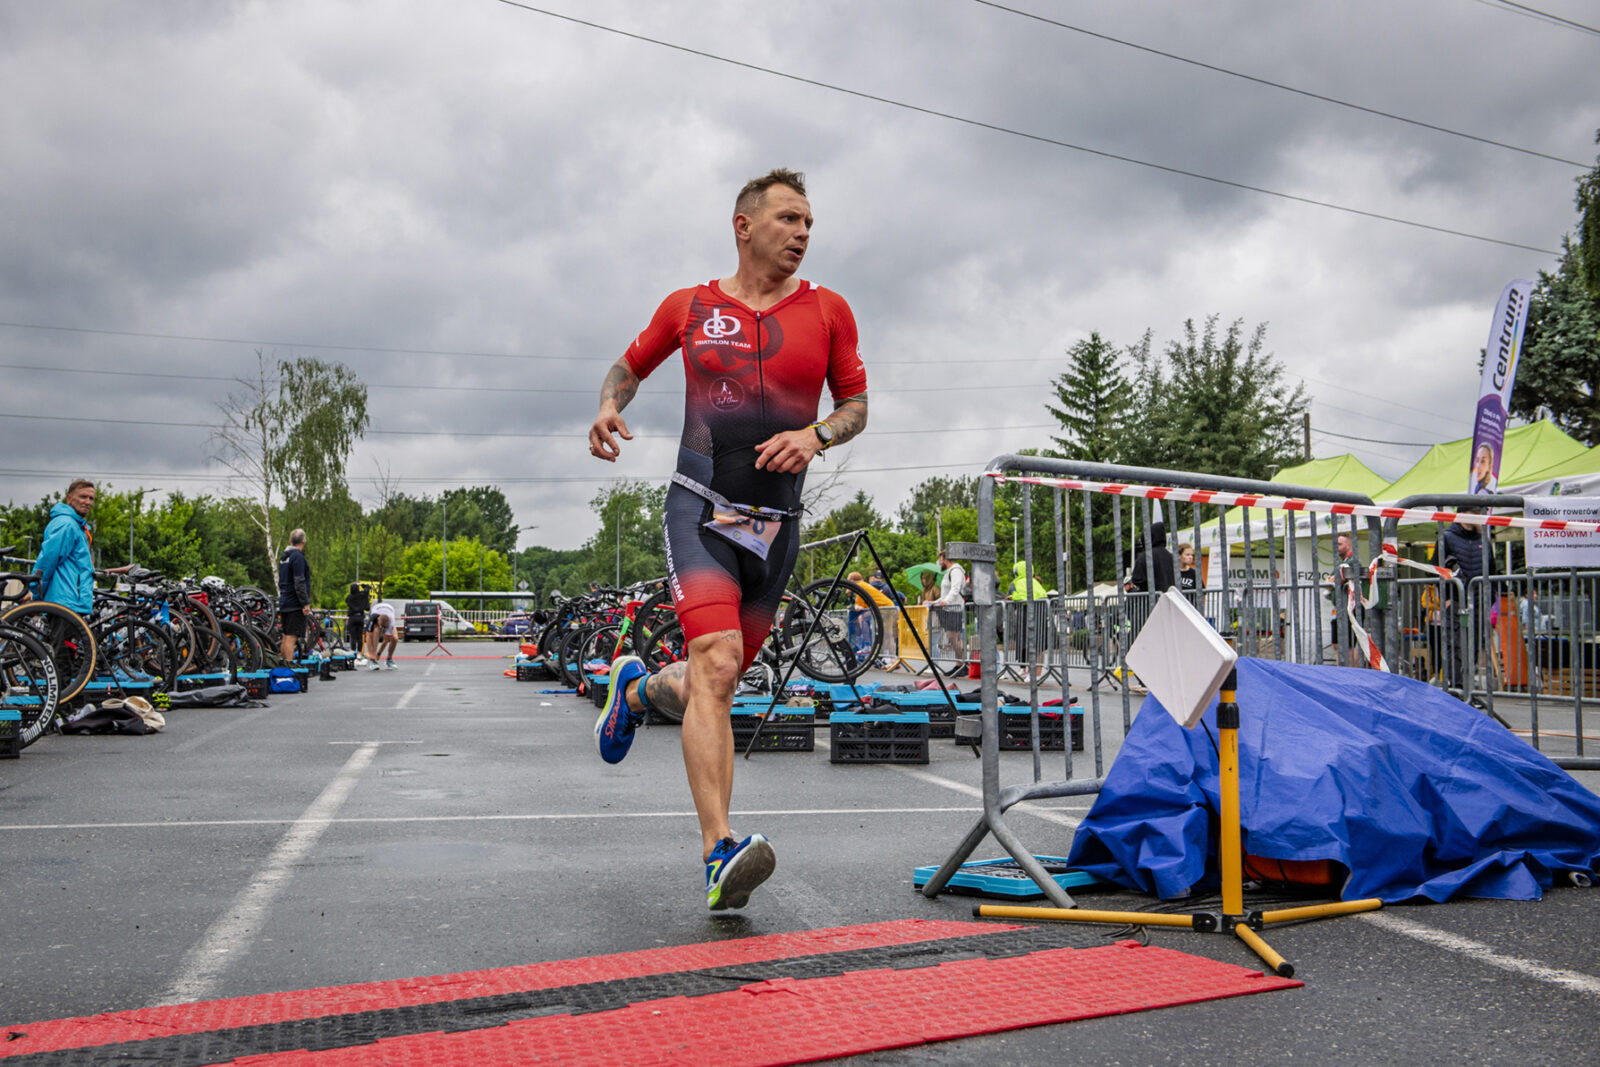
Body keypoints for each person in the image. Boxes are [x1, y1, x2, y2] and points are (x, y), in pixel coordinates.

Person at [585, 168, 868, 911]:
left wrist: (817, 434)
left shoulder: (829, 310)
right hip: (701, 508)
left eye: (809, 223)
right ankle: (719, 850)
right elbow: (629, 366)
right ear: (744, 226)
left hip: (777, 529)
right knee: (716, 662)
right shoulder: (690, 305)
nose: (802, 233)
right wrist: (609, 404)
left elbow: (857, 404)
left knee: (717, 677)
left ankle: (635, 690)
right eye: (788, 218)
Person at [30, 479, 128, 613]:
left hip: (72, 601)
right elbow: (47, 561)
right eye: (83, 497)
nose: (88, 502)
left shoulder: (77, 526)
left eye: (91, 498)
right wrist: (36, 592)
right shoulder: (66, 525)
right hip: (64, 601)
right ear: (69, 498)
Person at [1324, 531, 1363, 667]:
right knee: (1337, 644)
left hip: (1350, 608)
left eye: (1339, 544)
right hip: (1340, 609)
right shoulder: (1343, 563)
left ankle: (1352, 674)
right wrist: (1332, 581)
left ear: (1348, 545)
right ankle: (1340, 673)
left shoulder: (1353, 562)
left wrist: (1332, 581)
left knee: (1348, 645)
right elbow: (1330, 582)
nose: (1336, 547)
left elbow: (1334, 581)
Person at [277, 529, 312, 662]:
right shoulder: (298, 557)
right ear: (304, 541)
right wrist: (305, 603)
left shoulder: (284, 557)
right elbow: (299, 581)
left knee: (286, 636)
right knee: (291, 638)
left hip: (284, 600)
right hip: (295, 603)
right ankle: (289, 668)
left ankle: (282, 666)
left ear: (290, 540)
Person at [932, 548, 967, 665]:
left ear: (946, 559)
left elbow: (955, 589)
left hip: (954, 608)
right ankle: (960, 663)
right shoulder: (949, 572)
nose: (939, 562)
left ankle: (961, 662)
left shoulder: (955, 571)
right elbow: (945, 594)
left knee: (952, 636)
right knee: (955, 637)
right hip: (949, 607)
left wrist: (946, 601)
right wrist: (935, 602)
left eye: (940, 559)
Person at [1124, 521, 1175, 595]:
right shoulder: (1170, 556)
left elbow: (1136, 579)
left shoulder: (1145, 557)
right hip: (1171, 596)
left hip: (1151, 597)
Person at [366, 602, 398, 669]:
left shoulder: (391, 622)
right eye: (381, 625)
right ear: (378, 620)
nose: (382, 628)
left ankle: (389, 659)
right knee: (376, 630)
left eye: (383, 626)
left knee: (395, 638)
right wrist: (371, 654)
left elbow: (386, 640)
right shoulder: (373, 617)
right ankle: (373, 661)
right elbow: (368, 636)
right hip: (377, 610)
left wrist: (379, 653)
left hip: (389, 611)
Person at [346, 582, 371, 661]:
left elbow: (346, 601)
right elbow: (368, 587)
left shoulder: (349, 597)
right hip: (360, 617)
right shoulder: (362, 595)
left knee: (353, 637)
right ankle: (359, 653)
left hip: (352, 617)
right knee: (360, 636)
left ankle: (353, 652)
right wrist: (362, 585)